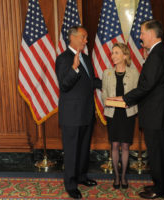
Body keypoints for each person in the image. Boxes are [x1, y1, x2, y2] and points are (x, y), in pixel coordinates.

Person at [110, 19, 164, 199]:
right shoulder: (159, 52)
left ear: (152, 34)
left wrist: (124, 98)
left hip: (157, 114)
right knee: (160, 151)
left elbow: (146, 86)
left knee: (156, 152)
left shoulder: (157, 54)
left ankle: (160, 189)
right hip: (159, 112)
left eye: (142, 33)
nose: (140, 36)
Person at [55, 26, 101, 199]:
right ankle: (71, 184)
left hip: (87, 112)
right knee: (72, 150)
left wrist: (111, 83)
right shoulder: (63, 59)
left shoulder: (87, 59)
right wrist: (74, 68)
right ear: (72, 38)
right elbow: (64, 85)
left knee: (83, 149)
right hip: (72, 115)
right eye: (84, 37)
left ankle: (82, 177)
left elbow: (92, 82)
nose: (86, 40)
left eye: (86, 37)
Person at [101, 43, 139, 189]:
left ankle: (124, 177)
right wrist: (108, 101)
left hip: (128, 114)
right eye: (112, 53)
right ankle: (116, 177)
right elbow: (104, 93)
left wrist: (131, 102)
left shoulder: (134, 73)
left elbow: (137, 93)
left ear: (125, 55)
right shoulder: (107, 73)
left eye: (116, 53)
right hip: (112, 114)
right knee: (115, 144)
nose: (113, 56)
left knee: (125, 145)